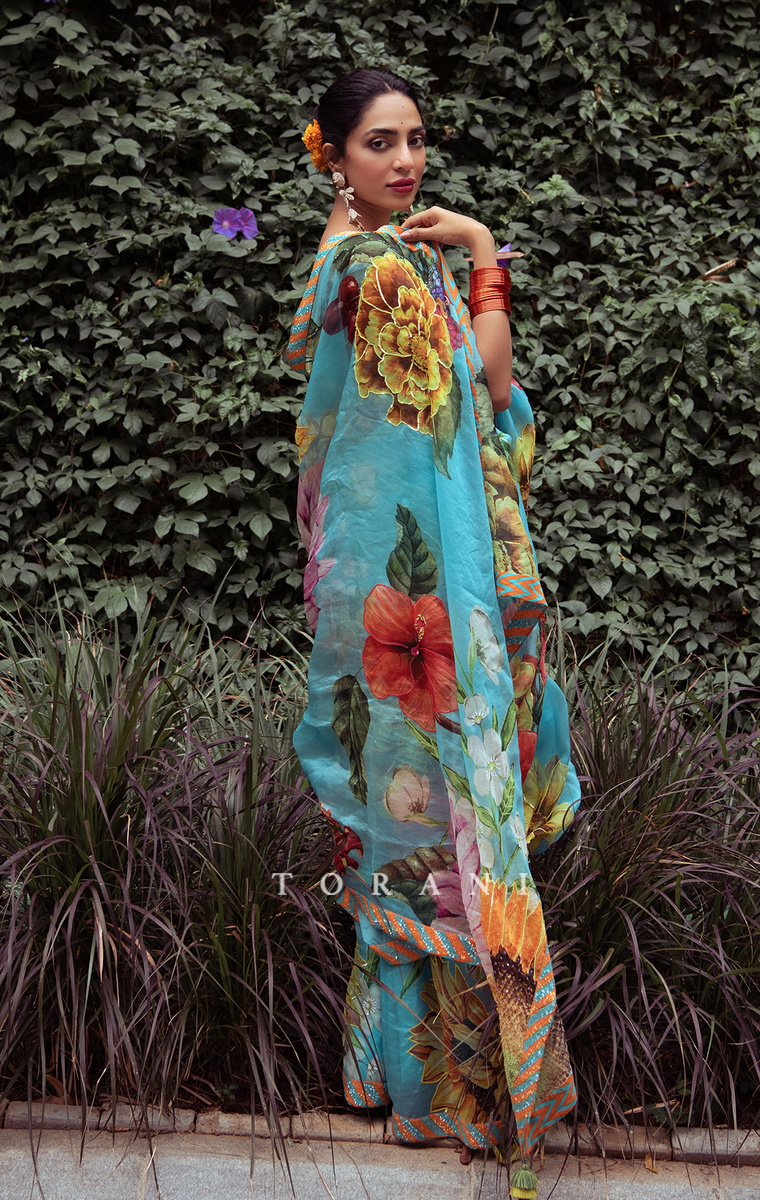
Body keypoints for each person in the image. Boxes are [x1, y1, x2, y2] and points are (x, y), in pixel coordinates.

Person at [288, 68, 580, 1200]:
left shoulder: (368, 257)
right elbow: (479, 388)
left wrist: (473, 254)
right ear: (334, 157)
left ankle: (402, 1086)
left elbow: (455, 396)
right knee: (448, 825)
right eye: (379, 143)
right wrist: (485, 254)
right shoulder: (376, 267)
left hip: (397, 604)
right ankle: (472, 1095)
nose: (405, 162)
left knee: (410, 827)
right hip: (425, 606)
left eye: (414, 140)